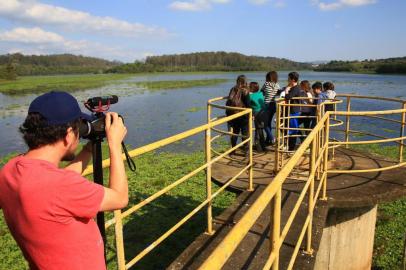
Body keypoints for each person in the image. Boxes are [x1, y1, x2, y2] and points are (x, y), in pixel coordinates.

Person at [0, 91, 128, 269]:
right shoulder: (60, 186)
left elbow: (56, 186)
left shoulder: (10, 170)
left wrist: (89, 149)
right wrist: (114, 145)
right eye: (78, 128)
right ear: (69, 135)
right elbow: (120, 198)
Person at [226, 75, 250, 152]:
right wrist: (251, 114)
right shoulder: (245, 91)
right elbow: (248, 104)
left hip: (233, 114)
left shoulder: (233, 89)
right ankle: (246, 151)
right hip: (243, 115)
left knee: (235, 132)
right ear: (245, 82)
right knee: (244, 133)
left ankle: (233, 149)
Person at [261, 71, 280, 145]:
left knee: (265, 125)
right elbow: (278, 93)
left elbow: (261, 91)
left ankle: (272, 138)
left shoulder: (266, 84)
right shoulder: (277, 85)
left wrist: (266, 94)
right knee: (268, 123)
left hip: (267, 105)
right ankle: (267, 140)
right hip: (273, 105)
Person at [284, 72, 302, 151]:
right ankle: (291, 146)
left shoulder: (296, 88)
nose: (287, 80)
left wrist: (286, 91)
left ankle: (291, 148)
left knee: (293, 129)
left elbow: (288, 97)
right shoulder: (295, 87)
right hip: (293, 110)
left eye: (289, 78)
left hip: (293, 111)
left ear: (293, 80)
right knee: (292, 128)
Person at [249, 81, 267, 152]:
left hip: (257, 113)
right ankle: (258, 145)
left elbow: (249, 104)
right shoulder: (260, 93)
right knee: (259, 129)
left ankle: (260, 147)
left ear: (251, 88)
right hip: (263, 112)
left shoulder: (250, 96)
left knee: (259, 129)